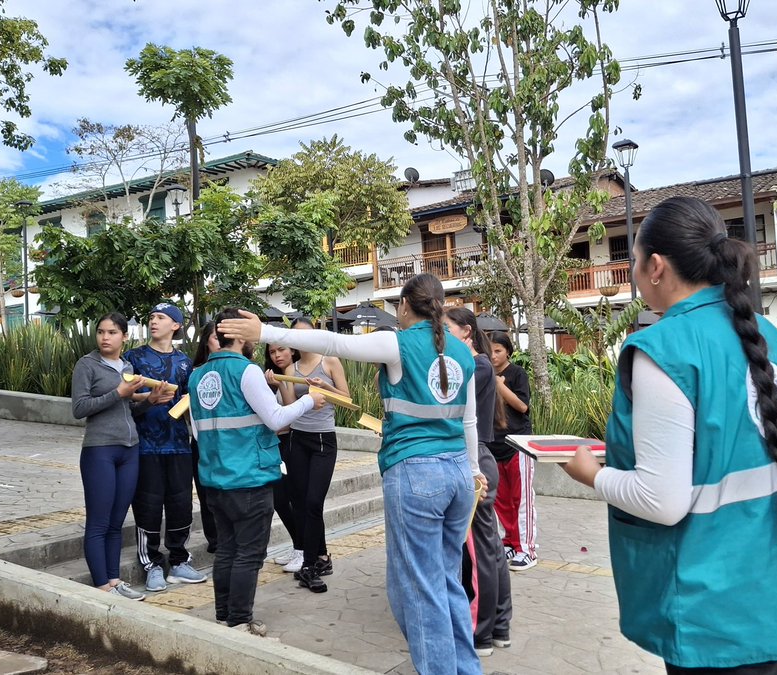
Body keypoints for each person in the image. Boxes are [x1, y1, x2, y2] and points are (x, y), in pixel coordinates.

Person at [562, 196, 777, 673]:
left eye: (634, 260)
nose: (635, 273)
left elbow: (662, 500)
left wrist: (592, 475)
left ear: (656, 267)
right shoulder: (765, 334)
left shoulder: (664, 347)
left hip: (716, 614)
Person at [220, 273, 484, 675]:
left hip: (417, 474)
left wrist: (267, 331)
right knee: (448, 582)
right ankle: (465, 669)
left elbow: (333, 343)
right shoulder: (463, 352)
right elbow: (469, 422)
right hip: (458, 476)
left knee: (418, 590)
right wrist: (474, 470)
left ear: (404, 306)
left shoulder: (398, 343)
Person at [188, 308, 325, 636]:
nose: (256, 338)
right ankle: (239, 621)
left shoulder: (197, 375)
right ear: (238, 336)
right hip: (249, 476)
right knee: (248, 554)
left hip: (214, 477)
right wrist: (310, 401)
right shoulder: (246, 371)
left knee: (227, 549)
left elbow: (196, 431)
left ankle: (224, 615)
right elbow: (276, 418)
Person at [71, 312, 173, 601]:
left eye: (112, 332)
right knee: (99, 522)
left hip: (130, 449)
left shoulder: (127, 366)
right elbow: (79, 408)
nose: (105, 337)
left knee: (117, 522)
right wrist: (119, 392)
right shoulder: (87, 365)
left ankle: (114, 581)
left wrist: (149, 401)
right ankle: (102, 585)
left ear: (124, 337)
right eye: (101, 332)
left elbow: (128, 410)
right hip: (100, 449)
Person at [124, 302, 208, 591]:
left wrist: (188, 404)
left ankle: (180, 562)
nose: (154, 321)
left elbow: (189, 403)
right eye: (151, 317)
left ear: (175, 325)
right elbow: (125, 401)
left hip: (179, 446)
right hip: (145, 446)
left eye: (161, 317)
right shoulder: (133, 358)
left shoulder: (184, 362)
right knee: (147, 507)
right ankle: (151, 565)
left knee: (181, 506)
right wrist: (148, 401)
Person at [444, 307, 512, 658]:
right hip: (478, 458)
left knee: (479, 552)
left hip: (475, 461)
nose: (440, 335)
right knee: (489, 547)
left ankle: (480, 631)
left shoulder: (477, 366)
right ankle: (499, 627)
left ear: (466, 332)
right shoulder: (478, 365)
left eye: (447, 329)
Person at [282, 317, 349, 592]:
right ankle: (320, 557)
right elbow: (289, 408)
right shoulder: (291, 368)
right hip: (298, 438)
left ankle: (309, 565)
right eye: (296, 335)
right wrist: (280, 383)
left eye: (306, 334)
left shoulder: (329, 361)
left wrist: (325, 388)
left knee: (313, 502)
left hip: (323, 440)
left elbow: (347, 398)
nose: (302, 339)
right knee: (300, 502)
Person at [487, 331, 539, 571]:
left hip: (518, 445)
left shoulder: (517, 374)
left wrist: (500, 386)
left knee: (522, 499)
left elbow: (522, 406)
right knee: (501, 500)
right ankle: (509, 542)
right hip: (493, 445)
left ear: (508, 351)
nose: (493, 355)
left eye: (498, 350)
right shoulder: (484, 373)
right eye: (490, 350)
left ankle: (527, 549)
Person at [262, 341, 304, 572]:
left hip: (292, 443)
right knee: (279, 498)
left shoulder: (294, 372)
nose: (277, 355)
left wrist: (280, 384)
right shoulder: (270, 376)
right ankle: (298, 546)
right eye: (272, 352)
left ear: (293, 350)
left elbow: (291, 410)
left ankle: (302, 549)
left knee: (291, 499)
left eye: (281, 350)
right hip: (276, 444)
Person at [189, 322, 223, 555]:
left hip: (228, 440)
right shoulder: (195, 373)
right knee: (206, 492)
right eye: (215, 337)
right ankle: (215, 539)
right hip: (201, 440)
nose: (220, 342)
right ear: (206, 342)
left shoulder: (238, 369)